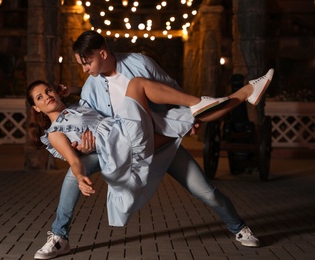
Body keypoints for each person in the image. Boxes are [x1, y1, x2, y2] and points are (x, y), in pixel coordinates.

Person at [34, 30, 273, 259]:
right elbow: (85, 120)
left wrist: (183, 116)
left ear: (103, 53)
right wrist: (83, 147)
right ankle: (59, 237)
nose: (85, 69)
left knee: (206, 191)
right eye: (82, 65)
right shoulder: (91, 85)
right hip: (121, 145)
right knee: (72, 175)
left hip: (157, 136)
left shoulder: (139, 62)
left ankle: (239, 226)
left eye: (86, 62)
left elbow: (170, 90)